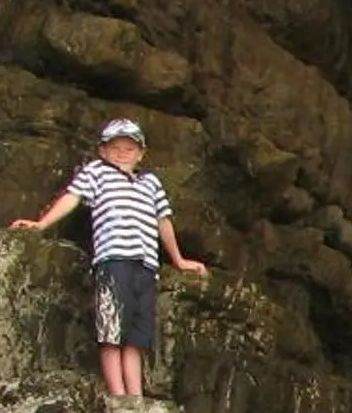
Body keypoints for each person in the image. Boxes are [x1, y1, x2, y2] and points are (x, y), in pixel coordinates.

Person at [12, 118, 206, 398]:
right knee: (112, 331)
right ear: (102, 151)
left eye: (129, 148)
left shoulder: (151, 182)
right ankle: (118, 394)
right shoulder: (97, 173)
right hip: (113, 261)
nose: (122, 153)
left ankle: (135, 397)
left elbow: (163, 221)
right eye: (115, 147)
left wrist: (178, 259)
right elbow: (72, 198)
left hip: (146, 267)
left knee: (136, 338)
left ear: (141, 153)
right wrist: (41, 225)